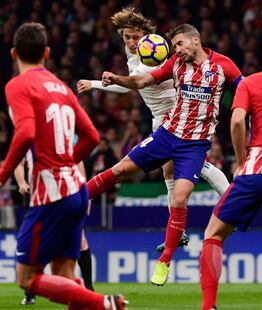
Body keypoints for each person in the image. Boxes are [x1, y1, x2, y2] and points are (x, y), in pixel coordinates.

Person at [88, 23, 243, 286]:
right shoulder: (173, 64)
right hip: (168, 134)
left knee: (180, 199)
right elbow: (141, 81)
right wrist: (115, 79)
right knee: (120, 170)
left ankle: (164, 263)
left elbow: (246, 91)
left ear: (196, 40)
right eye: (174, 46)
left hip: (194, 145)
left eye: (180, 44)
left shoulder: (224, 65)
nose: (177, 50)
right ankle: (75, 197)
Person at [0, 22, 127, 309]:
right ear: (46, 53)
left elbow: (25, 134)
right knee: (65, 275)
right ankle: (98, 302)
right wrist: (67, 162)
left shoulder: (17, 85)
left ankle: (103, 304)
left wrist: (3, 174)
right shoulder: (61, 87)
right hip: (77, 189)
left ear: (13, 54)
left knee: (26, 278)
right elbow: (93, 136)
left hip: (51, 193)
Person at [199, 32, 262, 310]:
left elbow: (236, 122)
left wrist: (242, 159)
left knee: (214, 233)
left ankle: (208, 306)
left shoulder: (250, 82)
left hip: (256, 169)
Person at [15, 157, 95, 305]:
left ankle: (90, 292)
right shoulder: (29, 138)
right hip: (41, 199)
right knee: (44, 248)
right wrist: (21, 183)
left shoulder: (64, 137)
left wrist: (85, 190)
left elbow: (78, 161)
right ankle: (31, 292)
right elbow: (17, 163)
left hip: (66, 197)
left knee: (81, 241)